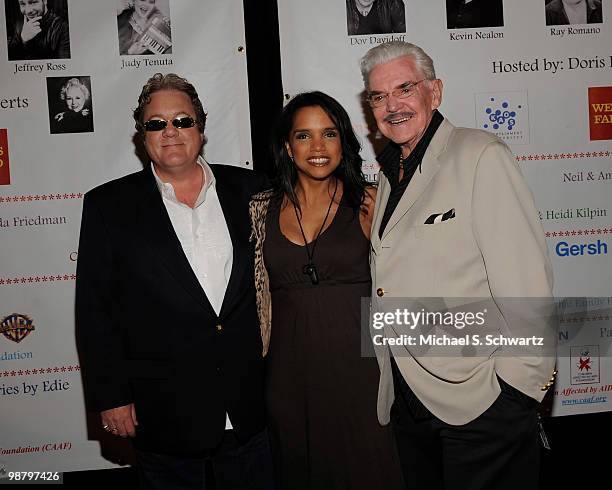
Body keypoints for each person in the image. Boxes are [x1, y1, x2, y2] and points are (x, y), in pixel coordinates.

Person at [361, 41, 557, 490]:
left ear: (435, 91)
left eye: (404, 88)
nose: (392, 105)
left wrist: (515, 394)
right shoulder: (393, 173)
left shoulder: (479, 155)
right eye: (378, 96)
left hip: (480, 403)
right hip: (410, 402)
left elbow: (529, 288)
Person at [75, 73, 274, 490]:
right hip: (163, 410)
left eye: (182, 121)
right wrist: (110, 396)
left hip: (250, 404)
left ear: (201, 128)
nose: (171, 132)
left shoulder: (252, 189)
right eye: (156, 123)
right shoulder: (108, 206)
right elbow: (96, 311)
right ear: (141, 134)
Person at [249, 91, 404, 490]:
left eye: (329, 134)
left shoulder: (371, 201)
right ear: (287, 146)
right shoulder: (260, 210)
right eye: (304, 136)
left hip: (362, 376)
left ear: (344, 142)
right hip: (288, 380)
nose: (317, 147)